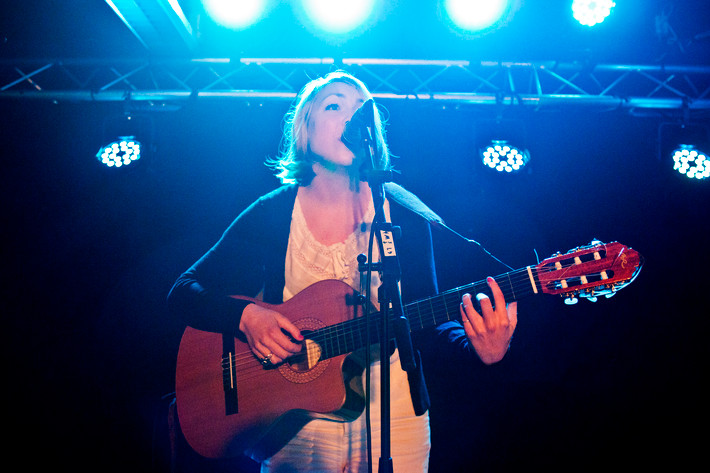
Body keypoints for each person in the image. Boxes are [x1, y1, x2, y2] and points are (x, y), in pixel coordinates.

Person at [167, 70, 517, 473]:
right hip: (293, 424)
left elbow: (424, 318)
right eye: (335, 106)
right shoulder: (272, 212)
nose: (352, 118)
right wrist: (247, 317)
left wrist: (476, 348)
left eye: (361, 110)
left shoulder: (403, 214)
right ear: (305, 128)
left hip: (397, 415)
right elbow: (182, 291)